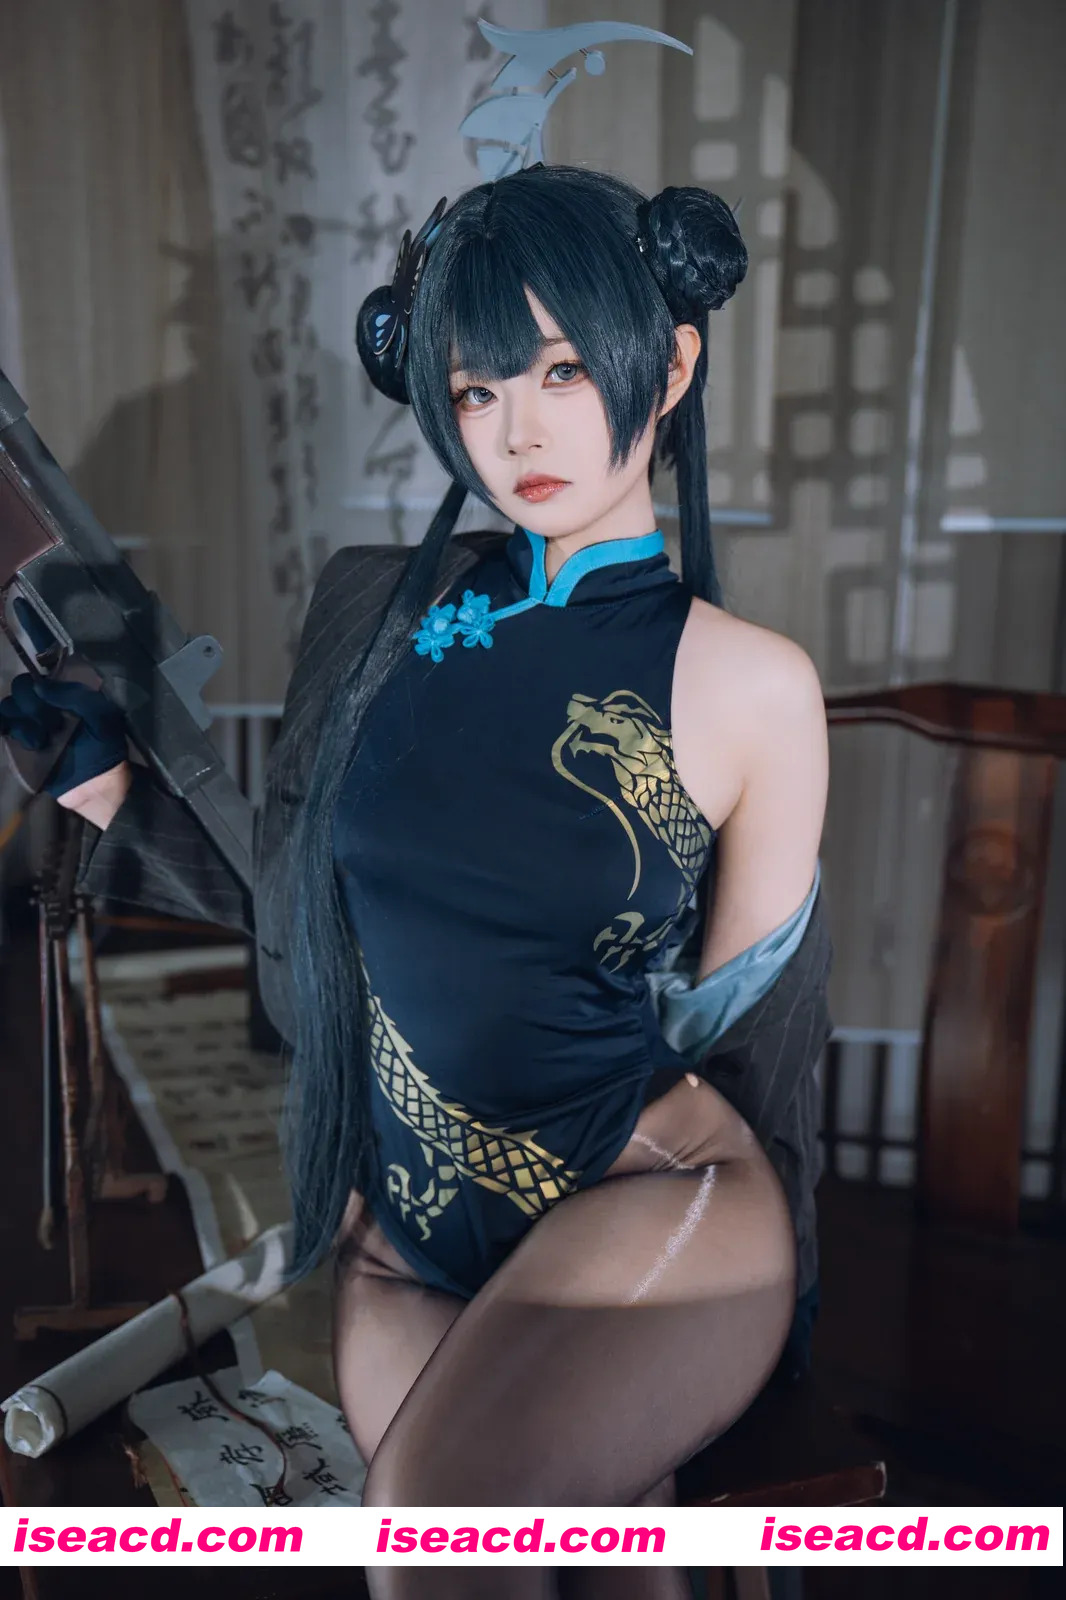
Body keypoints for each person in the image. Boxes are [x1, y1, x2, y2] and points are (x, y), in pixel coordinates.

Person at [2, 166, 830, 1599]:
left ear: (671, 363)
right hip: (405, 1233)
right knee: (573, 1558)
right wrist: (108, 793)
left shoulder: (752, 684)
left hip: (652, 1197)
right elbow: (313, 911)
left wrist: (757, 1328)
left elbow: (753, 1028)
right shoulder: (378, 614)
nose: (519, 432)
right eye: (474, 390)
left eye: (562, 371)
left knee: (436, 1534)